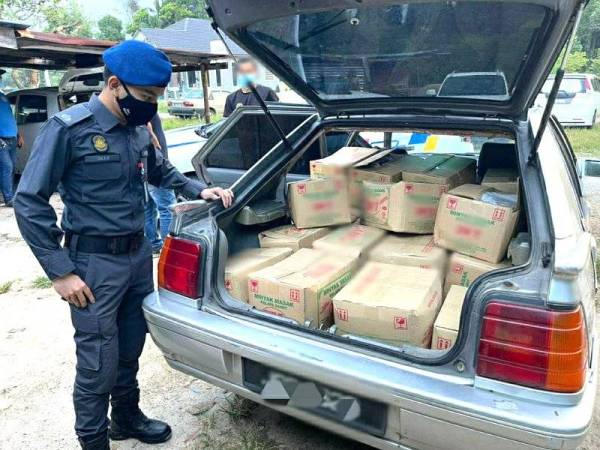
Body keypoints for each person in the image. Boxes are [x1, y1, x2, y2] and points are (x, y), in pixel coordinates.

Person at [13, 40, 233, 450]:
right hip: (92, 264)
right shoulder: (69, 129)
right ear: (114, 84)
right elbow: (29, 201)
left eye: (156, 98)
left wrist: (198, 190)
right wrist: (60, 271)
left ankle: (126, 418)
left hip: (136, 257)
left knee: (131, 345)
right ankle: (93, 440)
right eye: (146, 96)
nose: (151, 105)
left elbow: (159, 170)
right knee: (98, 360)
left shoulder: (136, 128)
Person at [144, 115, 175, 254]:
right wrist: (153, 139)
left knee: (148, 209)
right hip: (157, 167)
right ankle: (169, 249)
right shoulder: (146, 106)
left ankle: (153, 244)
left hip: (145, 167)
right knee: (167, 208)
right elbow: (146, 126)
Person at [0, 69, 23, 207]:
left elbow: (10, 117)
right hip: (1, 139)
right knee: (7, 167)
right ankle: (8, 198)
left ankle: (11, 196)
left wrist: (18, 134)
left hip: (12, 137)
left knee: (13, 167)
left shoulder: (3, 97)